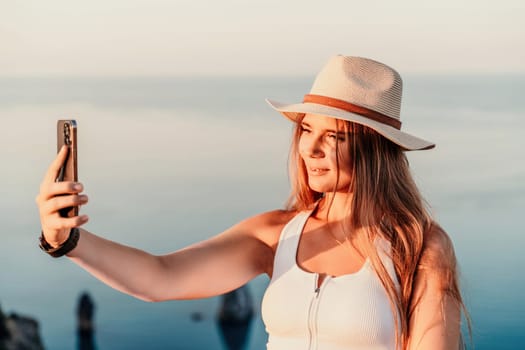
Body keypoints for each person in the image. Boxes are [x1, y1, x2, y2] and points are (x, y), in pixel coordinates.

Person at [36, 55, 468, 349]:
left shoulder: (419, 247)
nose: (310, 149)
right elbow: (159, 278)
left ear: (375, 149)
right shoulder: (275, 234)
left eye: (333, 137)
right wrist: (68, 240)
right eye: (306, 131)